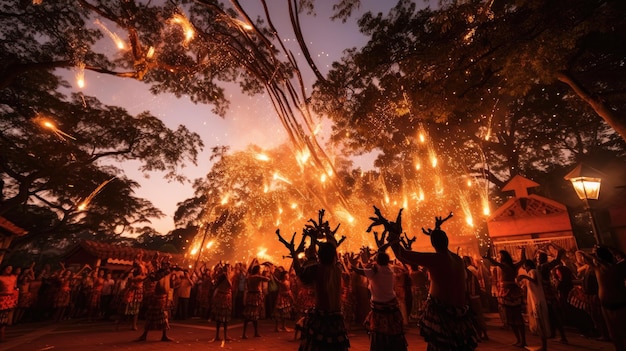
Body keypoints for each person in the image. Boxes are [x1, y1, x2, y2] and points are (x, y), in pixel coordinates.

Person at [374, 208, 478, 351]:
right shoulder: (458, 259)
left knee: (438, 345)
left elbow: (401, 254)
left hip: (442, 314)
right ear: (447, 241)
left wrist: (394, 237)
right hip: (460, 314)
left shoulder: (436, 259)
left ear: (433, 243)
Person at [350, 250, 407, 351]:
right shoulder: (390, 270)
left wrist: (351, 264)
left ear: (377, 261)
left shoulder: (374, 272)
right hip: (392, 305)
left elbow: (360, 271)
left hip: (379, 308)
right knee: (393, 332)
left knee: (376, 331)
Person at [578, 246, 626, 351]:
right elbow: (584, 255)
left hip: (619, 305)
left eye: (596, 256)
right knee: (614, 335)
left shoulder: (617, 268)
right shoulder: (599, 268)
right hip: (606, 306)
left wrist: (609, 250)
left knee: (622, 333)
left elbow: (585, 255)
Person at [485, 247, 527, 348]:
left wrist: (489, 257)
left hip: (508, 293)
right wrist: (523, 252)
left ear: (504, 257)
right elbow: (523, 260)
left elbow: (496, 263)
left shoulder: (504, 266)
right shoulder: (513, 266)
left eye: (500, 256)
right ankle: (521, 340)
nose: (499, 257)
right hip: (511, 292)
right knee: (516, 318)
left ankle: (521, 340)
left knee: (513, 319)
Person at [135, 255, 174, 342]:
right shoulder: (156, 273)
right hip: (155, 297)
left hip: (162, 297)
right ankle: (144, 335)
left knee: (163, 317)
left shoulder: (165, 272)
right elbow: (155, 278)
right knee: (151, 316)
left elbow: (170, 285)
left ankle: (163, 335)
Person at [517, 259, 550, 351]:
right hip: (536, 300)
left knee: (541, 324)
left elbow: (534, 280)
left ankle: (544, 346)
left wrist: (524, 276)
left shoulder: (532, 271)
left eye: (525, 267)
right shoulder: (535, 272)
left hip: (537, 301)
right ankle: (543, 346)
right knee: (540, 324)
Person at [242, 259, 269, 339]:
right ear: (257, 270)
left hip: (250, 296)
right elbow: (267, 279)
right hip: (255, 297)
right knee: (253, 315)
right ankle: (254, 332)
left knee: (252, 315)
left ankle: (250, 333)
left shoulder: (249, 277)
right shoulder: (257, 277)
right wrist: (266, 273)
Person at [210, 263, 233, 342]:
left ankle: (224, 335)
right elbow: (230, 285)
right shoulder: (223, 276)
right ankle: (218, 335)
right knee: (220, 318)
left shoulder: (227, 276)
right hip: (222, 298)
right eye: (229, 268)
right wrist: (226, 275)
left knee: (225, 318)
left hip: (225, 298)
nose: (230, 269)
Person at [0, 266, 18, 342]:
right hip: (1, 298)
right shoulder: (0, 278)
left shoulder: (13, 277)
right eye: (8, 268)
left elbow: (14, 288)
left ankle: (2, 336)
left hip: (8, 300)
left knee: (4, 319)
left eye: (11, 269)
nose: (9, 270)